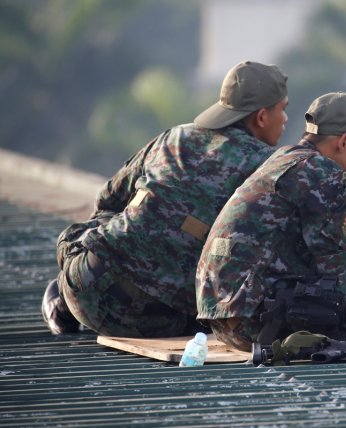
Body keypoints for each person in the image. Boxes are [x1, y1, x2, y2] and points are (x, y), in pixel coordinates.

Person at [41, 60, 289, 338]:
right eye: (283, 109)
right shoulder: (269, 168)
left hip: (85, 290)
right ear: (262, 117)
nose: (286, 119)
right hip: (163, 319)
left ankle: (60, 302)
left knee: (90, 229)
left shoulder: (175, 137)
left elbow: (109, 199)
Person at [195, 91, 346, 351]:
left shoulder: (283, 159)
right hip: (259, 321)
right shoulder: (322, 172)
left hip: (225, 321)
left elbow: (334, 249)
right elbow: (338, 266)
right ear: (344, 141)